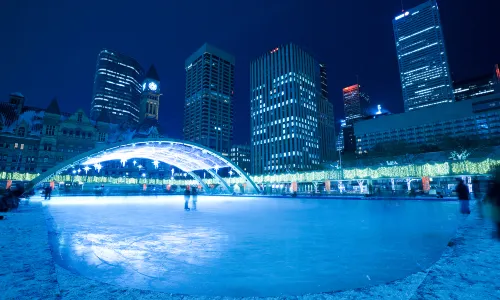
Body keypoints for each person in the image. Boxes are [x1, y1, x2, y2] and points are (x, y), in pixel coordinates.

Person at [485, 167, 500, 238]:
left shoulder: (495, 184)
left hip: (497, 205)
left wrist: (487, 198)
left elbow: (491, 193)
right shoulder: (495, 184)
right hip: (497, 205)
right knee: (497, 221)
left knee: (497, 221)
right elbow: (491, 193)